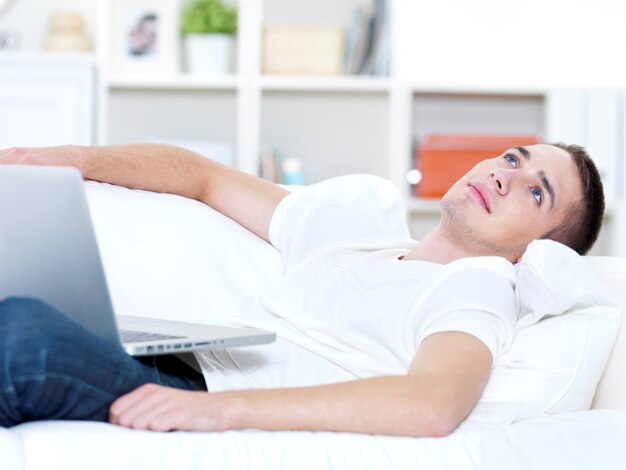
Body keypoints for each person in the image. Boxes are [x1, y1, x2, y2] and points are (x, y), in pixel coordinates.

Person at [0, 141, 605, 436]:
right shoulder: (355, 234)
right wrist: (60, 159)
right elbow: (204, 177)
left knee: (24, 336)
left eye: (536, 191)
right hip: (172, 355)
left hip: (200, 390)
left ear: (536, 250)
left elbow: (435, 404)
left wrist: (216, 410)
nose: (506, 176)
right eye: (513, 158)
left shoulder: (477, 287)